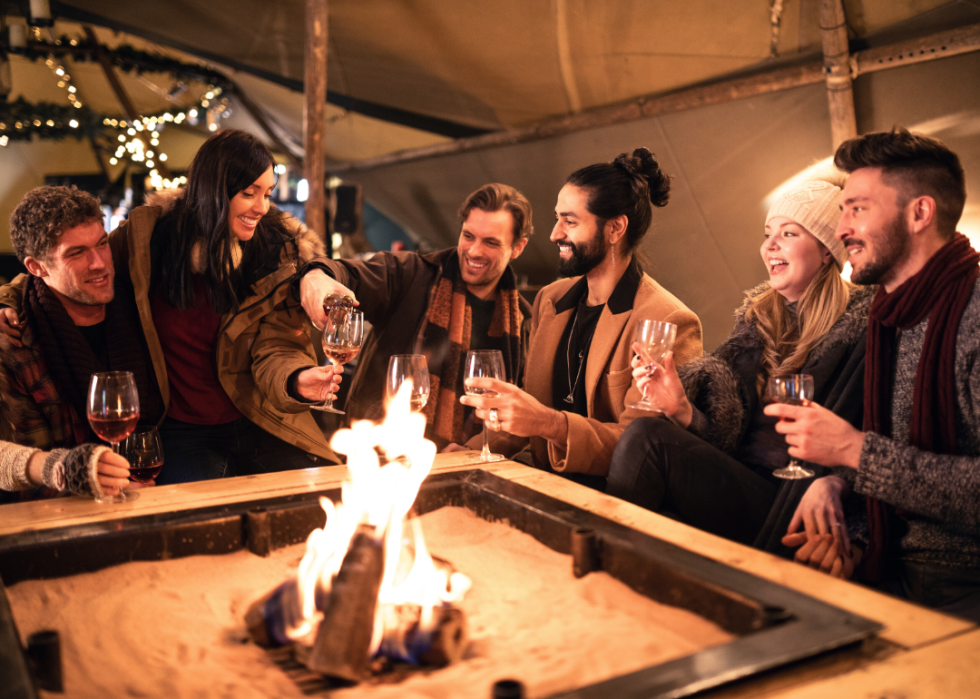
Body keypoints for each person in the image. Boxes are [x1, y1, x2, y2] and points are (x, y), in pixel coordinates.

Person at [2, 131, 343, 484]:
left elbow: (276, 345)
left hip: (261, 416)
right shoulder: (147, 239)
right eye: (248, 193)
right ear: (213, 190)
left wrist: (294, 379)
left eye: (267, 193)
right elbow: (56, 271)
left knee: (316, 501)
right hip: (181, 432)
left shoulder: (277, 253)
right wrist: (6, 299)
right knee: (194, 523)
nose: (262, 207)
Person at [767, 127, 980, 620]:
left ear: (919, 213)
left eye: (858, 208)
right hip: (890, 564)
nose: (842, 229)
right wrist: (842, 496)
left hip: (963, 581)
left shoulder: (972, 315)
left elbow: (878, 454)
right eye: (844, 210)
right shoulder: (889, 316)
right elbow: (898, 455)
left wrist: (853, 452)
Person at [604, 177, 873, 549]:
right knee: (647, 432)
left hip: (796, 501)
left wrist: (841, 494)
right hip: (744, 484)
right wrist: (681, 408)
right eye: (768, 233)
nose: (770, 246)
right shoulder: (755, 323)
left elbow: (873, 438)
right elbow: (728, 442)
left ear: (828, 250)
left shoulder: (860, 332)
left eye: (790, 233)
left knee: (646, 439)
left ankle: (604, 556)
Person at [460, 148, 702, 480]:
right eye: (558, 217)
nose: (554, 233)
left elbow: (642, 448)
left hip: (614, 502)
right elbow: (530, 414)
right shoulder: (551, 299)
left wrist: (550, 423)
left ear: (615, 228)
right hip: (546, 483)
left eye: (570, 221)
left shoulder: (668, 320)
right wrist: (472, 451)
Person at [297, 183, 533, 449]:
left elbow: (521, 410)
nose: (474, 251)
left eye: (490, 242)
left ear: (518, 248)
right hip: (381, 455)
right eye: (468, 236)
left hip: (468, 467)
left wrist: (473, 450)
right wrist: (317, 276)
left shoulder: (523, 321)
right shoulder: (412, 274)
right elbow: (349, 274)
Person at [0, 185, 152, 501]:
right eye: (76, 253)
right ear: (36, 268)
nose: (99, 263)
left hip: (152, 487)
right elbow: (15, 465)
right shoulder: (15, 342)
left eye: (102, 244)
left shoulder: (142, 304)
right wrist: (96, 484)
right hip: (58, 516)